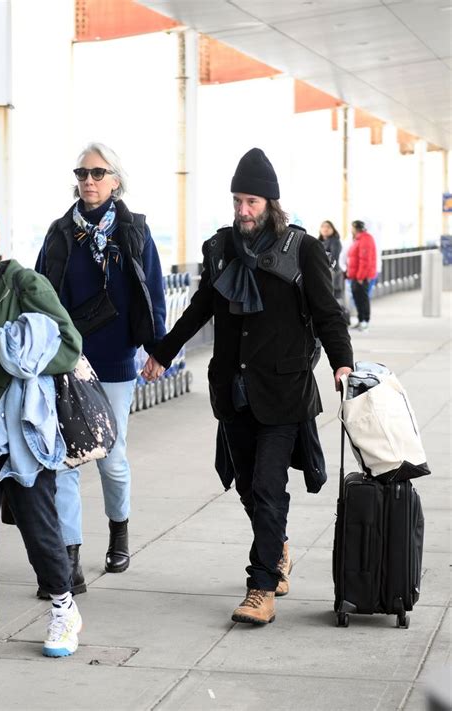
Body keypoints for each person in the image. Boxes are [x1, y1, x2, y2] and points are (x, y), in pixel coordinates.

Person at [143, 148, 353, 625]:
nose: (242, 210)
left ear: (271, 203)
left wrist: (342, 363)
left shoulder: (302, 249)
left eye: (251, 202)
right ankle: (277, 549)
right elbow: (199, 308)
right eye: (237, 200)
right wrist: (163, 351)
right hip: (233, 392)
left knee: (267, 485)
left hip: (283, 392)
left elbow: (327, 312)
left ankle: (260, 588)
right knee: (246, 487)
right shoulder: (218, 249)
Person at [35, 143, 166, 592]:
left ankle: (119, 531)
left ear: (115, 180)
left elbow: (152, 293)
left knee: (111, 457)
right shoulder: (58, 234)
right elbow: (38, 295)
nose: (88, 180)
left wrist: (157, 349)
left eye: (97, 173)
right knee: (67, 459)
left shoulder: (134, 232)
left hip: (114, 361)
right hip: (67, 361)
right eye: (82, 173)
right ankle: (69, 558)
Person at [0, 200, 84, 671]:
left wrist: (20, 359)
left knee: (37, 522)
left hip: (16, 422)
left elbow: (69, 345)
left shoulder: (21, 283)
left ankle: (63, 606)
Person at [347, 220, 377, 332]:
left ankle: (365, 321)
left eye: (352, 227)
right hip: (355, 276)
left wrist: (360, 276)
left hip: (361, 277)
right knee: (358, 298)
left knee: (362, 298)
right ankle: (361, 320)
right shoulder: (359, 239)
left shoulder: (365, 239)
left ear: (356, 228)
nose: (351, 230)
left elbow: (365, 260)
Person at [318, 220, 343, 299]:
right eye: (323, 226)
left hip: (332, 273)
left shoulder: (335, 241)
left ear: (333, 229)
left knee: (333, 298)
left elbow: (334, 259)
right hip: (322, 273)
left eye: (328, 227)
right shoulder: (319, 242)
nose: (325, 229)